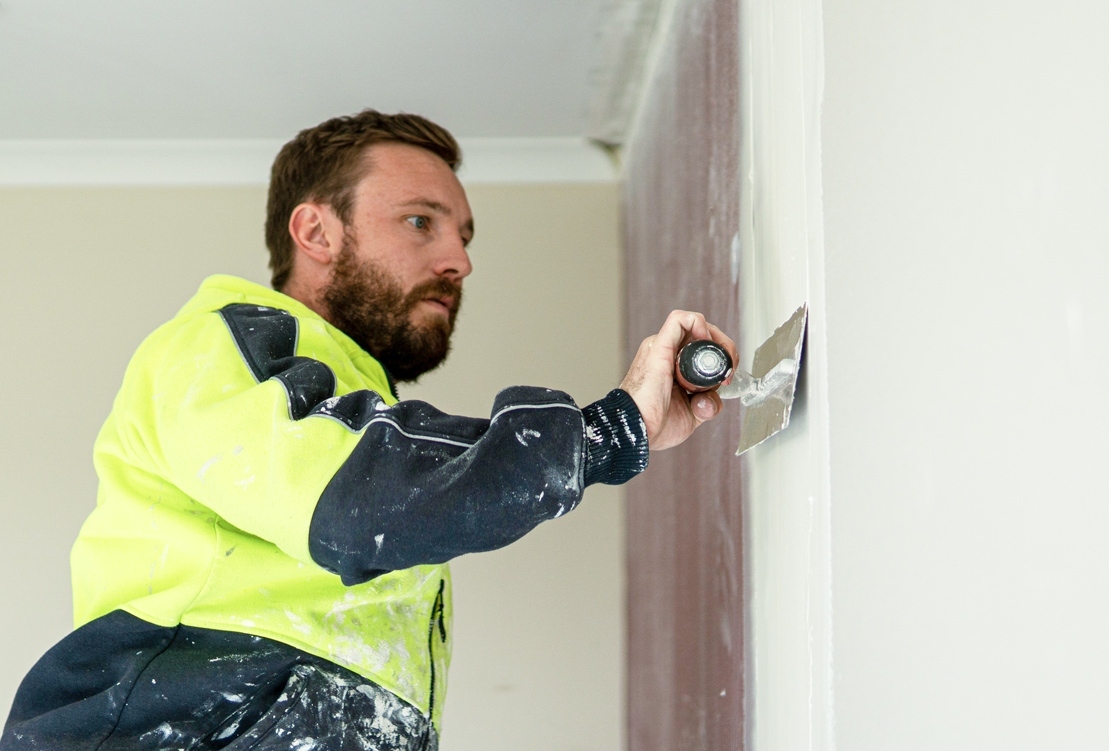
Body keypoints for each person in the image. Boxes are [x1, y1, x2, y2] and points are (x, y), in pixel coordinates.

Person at [0, 110, 737, 751]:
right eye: (421, 221)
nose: (460, 259)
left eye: (464, 234)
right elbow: (358, 504)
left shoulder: (363, 420)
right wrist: (607, 431)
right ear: (315, 230)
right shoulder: (216, 348)